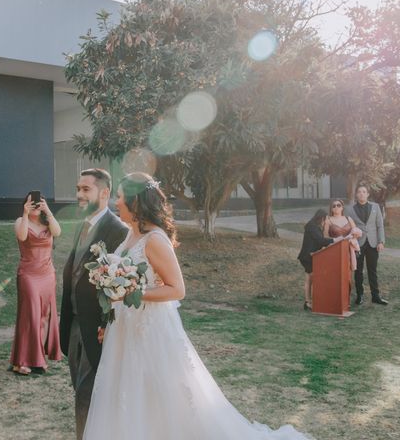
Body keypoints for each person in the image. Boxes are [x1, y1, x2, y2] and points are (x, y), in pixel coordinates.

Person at [83, 172, 312, 440]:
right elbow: (123, 280)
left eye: (120, 198)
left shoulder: (155, 239)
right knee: (126, 394)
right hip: (124, 327)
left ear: (134, 201)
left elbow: (177, 288)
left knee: (159, 398)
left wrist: (133, 291)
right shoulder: (130, 234)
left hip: (150, 330)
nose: (116, 203)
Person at [59, 169, 128, 440]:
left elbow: (120, 285)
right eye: (78, 188)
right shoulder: (82, 225)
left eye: (85, 189)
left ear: (104, 193)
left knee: (87, 394)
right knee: (80, 390)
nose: (79, 194)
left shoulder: (118, 231)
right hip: (75, 323)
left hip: (97, 328)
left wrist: (105, 324)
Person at [10, 192, 62, 375]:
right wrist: (25, 214)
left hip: (47, 275)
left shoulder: (48, 223)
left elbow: (58, 232)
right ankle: (23, 360)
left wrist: (48, 211)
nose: (35, 206)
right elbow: (22, 237)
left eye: (38, 202)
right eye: (31, 203)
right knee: (30, 316)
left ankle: (38, 359)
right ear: (26, 204)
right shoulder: (20, 221)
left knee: (44, 316)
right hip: (28, 275)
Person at [345, 185, 388, 305]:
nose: (361, 194)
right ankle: (360, 296)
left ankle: (376, 296)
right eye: (359, 192)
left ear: (368, 194)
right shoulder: (350, 209)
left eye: (364, 192)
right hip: (357, 244)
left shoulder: (375, 207)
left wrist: (381, 241)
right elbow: (347, 227)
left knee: (372, 270)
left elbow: (380, 226)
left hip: (373, 244)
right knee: (358, 271)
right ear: (356, 194)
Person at [298, 209, 347, 311]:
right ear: (322, 218)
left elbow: (319, 242)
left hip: (311, 256)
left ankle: (308, 302)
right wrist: (336, 239)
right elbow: (320, 241)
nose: (326, 221)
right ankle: (311, 302)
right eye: (326, 219)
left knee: (309, 279)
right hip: (307, 257)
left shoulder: (315, 226)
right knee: (312, 279)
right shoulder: (312, 226)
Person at [323, 199, 362, 298]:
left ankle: (346, 299)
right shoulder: (328, 220)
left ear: (342, 207)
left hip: (347, 251)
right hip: (334, 251)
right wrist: (336, 240)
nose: (336, 207)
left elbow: (356, 232)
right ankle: (335, 299)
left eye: (338, 205)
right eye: (334, 205)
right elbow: (325, 237)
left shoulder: (348, 219)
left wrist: (353, 236)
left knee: (347, 275)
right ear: (331, 208)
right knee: (335, 275)